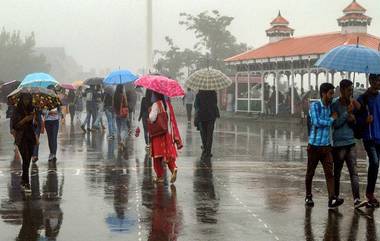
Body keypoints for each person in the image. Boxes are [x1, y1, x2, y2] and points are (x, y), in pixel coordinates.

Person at [305, 83, 343, 209]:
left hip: (326, 147)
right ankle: (308, 196)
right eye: (330, 93)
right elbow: (316, 122)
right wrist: (331, 119)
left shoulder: (330, 107)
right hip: (314, 146)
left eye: (333, 93)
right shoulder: (315, 106)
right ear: (323, 93)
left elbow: (340, 102)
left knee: (329, 173)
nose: (332, 96)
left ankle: (331, 199)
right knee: (310, 172)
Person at [331, 79, 365, 209]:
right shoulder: (335, 105)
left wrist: (354, 118)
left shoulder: (353, 103)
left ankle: (357, 199)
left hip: (351, 142)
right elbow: (335, 124)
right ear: (342, 89)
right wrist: (346, 114)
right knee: (338, 172)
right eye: (349, 89)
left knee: (354, 173)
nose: (351, 92)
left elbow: (356, 122)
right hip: (339, 144)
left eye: (352, 89)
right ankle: (335, 198)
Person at [356, 74, 380, 208]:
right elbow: (356, 118)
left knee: (375, 165)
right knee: (375, 163)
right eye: (377, 80)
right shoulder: (362, 98)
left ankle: (370, 193)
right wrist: (365, 120)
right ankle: (369, 194)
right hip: (369, 136)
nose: (379, 83)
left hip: (379, 137)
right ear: (371, 81)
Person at [149, 91, 182, 183]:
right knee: (168, 155)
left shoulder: (156, 104)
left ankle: (159, 177)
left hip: (157, 134)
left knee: (157, 156)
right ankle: (173, 168)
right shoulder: (167, 104)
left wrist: (150, 112)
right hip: (166, 133)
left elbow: (152, 118)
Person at [10, 93, 38, 191]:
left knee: (28, 159)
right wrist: (25, 119)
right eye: (25, 99)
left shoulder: (33, 109)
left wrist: (34, 121)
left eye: (28, 100)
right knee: (25, 157)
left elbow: (35, 126)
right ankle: (26, 182)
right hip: (21, 138)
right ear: (21, 99)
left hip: (30, 137)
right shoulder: (17, 110)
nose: (26, 101)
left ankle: (24, 180)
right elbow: (15, 126)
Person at [194, 90, 220, 159]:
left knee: (204, 134)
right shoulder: (213, 93)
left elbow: (196, 105)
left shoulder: (199, 94)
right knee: (209, 134)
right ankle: (208, 152)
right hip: (211, 115)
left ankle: (205, 150)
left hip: (202, 115)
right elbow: (215, 103)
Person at [44, 85, 62, 162]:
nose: (51, 92)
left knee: (54, 138)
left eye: (52, 91)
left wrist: (58, 113)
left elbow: (59, 110)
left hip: (55, 121)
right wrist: (49, 112)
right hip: (47, 121)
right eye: (50, 91)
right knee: (50, 138)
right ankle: (51, 153)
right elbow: (43, 111)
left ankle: (53, 154)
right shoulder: (44, 99)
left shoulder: (57, 99)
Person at [113, 85, 129, 150]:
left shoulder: (115, 96)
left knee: (118, 129)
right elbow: (126, 105)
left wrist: (116, 111)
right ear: (122, 88)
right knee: (124, 128)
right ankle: (122, 141)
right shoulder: (123, 95)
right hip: (123, 114)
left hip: (117, 114)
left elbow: (113, 105)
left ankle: (119, 143)